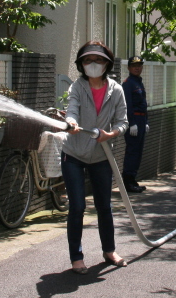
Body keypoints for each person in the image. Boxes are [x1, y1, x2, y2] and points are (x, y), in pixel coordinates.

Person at [62, 41, 129, 274]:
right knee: (77, 206)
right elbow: (72, 108)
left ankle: (109, 250)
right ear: (81, 64)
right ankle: (76, 257)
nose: (93, 64)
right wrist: (71, 122)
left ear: (107, 64)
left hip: (101, 155)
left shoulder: (116, 90)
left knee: (104, 206)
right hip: (74, 153)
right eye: (88, 60)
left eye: (98, 60)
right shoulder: (77, 86)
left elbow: (123, 122)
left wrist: (110, 134)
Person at [121, 55, 148, 193]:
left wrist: (146, 121)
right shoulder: (128, 83)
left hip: (141, 120)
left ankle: (133, 179)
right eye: (134, 66)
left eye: (139, 66)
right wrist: (131, 123)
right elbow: (127, 105)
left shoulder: (139, 82)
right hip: (134, 120)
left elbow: (143, 103)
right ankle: (128, 181)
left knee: (138, 152)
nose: (137, 68)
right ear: (129, 68)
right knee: (132, 152)